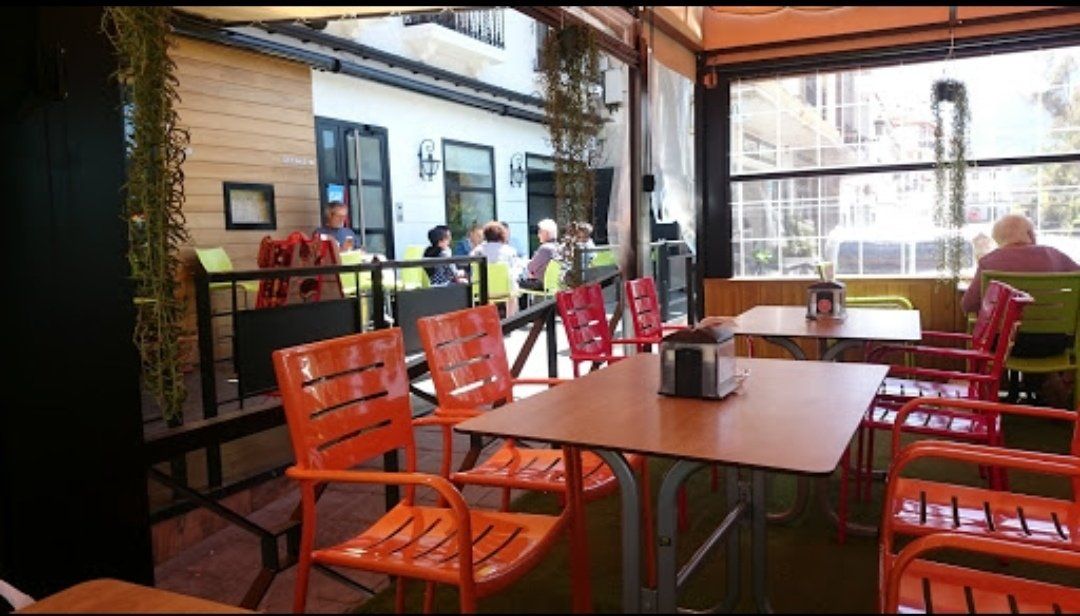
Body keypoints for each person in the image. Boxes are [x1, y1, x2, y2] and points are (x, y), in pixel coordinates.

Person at [961, 213, 1080, 406]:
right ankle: (1054, 395)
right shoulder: (1054, 255)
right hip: (1054, 345)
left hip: (1005, 346)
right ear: (1030, 234)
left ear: (999, 239)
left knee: (1003, 334)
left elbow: (968, 305)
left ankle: (992, 401)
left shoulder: (989, 262)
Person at [519, 218, 560, 291]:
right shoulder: (558, 247)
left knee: (514, 281)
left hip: (541, 284)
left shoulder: (545, 249)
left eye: (540, 232)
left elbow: (530, 267)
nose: (538, 235)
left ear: (546, 233)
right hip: (553, 284)